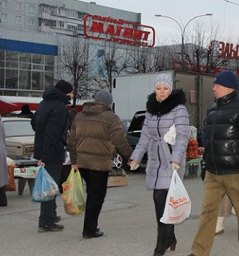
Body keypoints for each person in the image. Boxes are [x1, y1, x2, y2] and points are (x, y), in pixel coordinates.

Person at [187, 70, 239, 256]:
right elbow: (209, 140)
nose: (213, 88)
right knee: (207, 213)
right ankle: (199, 252)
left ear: (228, 88)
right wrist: (205, 164)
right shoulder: (213, 110)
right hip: (214, 172)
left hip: (237, 172)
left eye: (217, 85)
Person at [127, 74, 189, 255]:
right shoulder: (151, 110)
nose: (162, 92)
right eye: (158, 89)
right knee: (160, 199)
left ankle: (161, 242)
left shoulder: (179, 110)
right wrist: (136, 157)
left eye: (165, 89)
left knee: (160, 198)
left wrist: (176, 158)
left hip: (171, 160)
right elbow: (145, 136)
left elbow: (182, 136)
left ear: (171, 90)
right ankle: (169, 236)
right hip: (155, 159)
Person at [68, 89, 132, 239]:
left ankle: (89, 227)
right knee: (97, 195)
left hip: (83, 163)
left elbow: (72, 141)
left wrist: (74, 161)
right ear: (109, 103)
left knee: (92, 193)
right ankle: (90, 229)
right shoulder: (111, 118)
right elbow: (120, 141)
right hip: (100, 163)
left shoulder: (80, 116)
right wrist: (131, 157)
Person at [32, 80, 74, 232]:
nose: (72, 95)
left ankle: (51, 214)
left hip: (43, 149)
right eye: (71, 92)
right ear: (65, 92)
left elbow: (34, 123)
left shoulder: (44, 103)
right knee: (49, 188)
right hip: (52, 152)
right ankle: (45, 221)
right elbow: (52, 133)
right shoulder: (59, 107)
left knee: (50, 185)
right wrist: (47, 155)